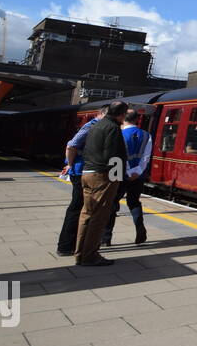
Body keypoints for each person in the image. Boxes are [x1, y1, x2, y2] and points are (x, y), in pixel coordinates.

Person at [74, 101, 128, 267]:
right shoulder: (113, 128)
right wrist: (117, 179)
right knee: (99, 217)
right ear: (121, 114)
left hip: (88, 172)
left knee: (86, 215)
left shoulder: (96, 126)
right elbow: (114, 156)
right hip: (102, 176)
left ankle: (80, 253)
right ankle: (90, 255)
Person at [56, 107, 106, 256]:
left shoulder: (95, 126)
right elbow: (71, 145)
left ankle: (73, 244)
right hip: (80, 172)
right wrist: (70, 165)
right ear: (101, 114)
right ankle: (65, 246)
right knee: (77, 208)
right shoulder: (91, 126)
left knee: (81, 208)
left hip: (84, 171)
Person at [102, 108, 152, 246]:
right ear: (137, 119)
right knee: (134, 202)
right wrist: (137, 171)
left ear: (124, 119)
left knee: (112, 203)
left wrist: (127, 172)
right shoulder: (147, 135)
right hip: (138, 176)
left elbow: (119, 156)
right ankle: (140, 231)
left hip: (119, 174)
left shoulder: (119, 134)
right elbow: (146, 156)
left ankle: (106, 238)